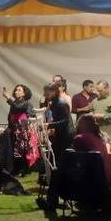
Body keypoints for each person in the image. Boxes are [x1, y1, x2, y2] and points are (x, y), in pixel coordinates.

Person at [41, 82, 74, 211]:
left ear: (54, 91)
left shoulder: (61, 104)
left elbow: (65, 121)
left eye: (47, 92)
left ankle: (54, 200)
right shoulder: (54, 104)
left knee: (58, 169)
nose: (45, 94)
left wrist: (49, 125)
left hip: (65, 140)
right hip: (60, 138)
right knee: (55, 169)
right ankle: (53, 199)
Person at [0, 84, 40, 175]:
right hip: (14, 127)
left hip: (23, 128)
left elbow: (18, 108)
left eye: (19, 90)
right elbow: (10, 115)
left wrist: (8, 98)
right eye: (16, 90)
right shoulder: (14, 103)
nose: (16, 92)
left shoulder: (27, 103)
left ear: (24, 93)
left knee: (22, 149)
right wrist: (9, 126)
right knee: (14, 149)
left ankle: (24, 169)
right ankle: (15, 168)